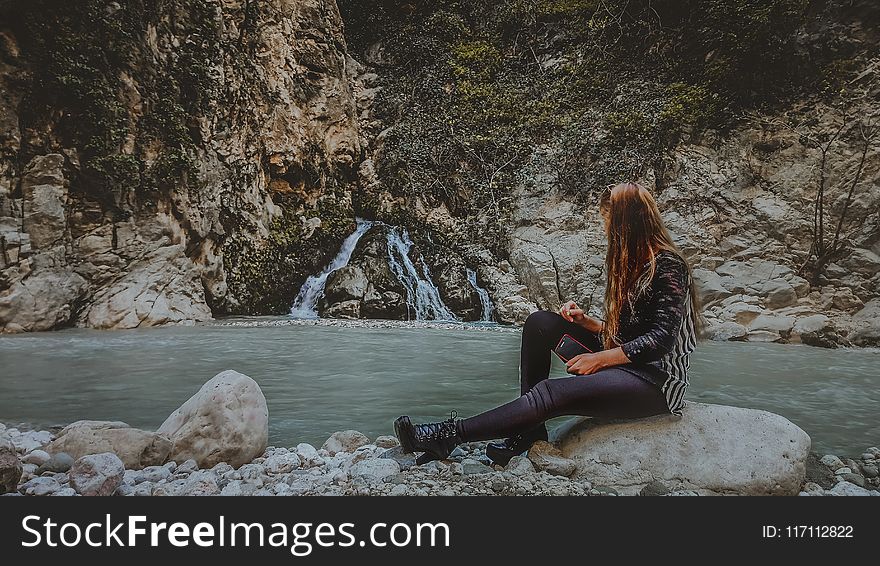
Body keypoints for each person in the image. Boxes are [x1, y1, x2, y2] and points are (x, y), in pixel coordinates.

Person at [393, 181, 706, 466]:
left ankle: (449, 434)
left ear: (627, 222)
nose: (605, 228)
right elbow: (628, 335)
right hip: (626, 362)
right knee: (540, 323)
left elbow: (660, 340)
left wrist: (599, 359)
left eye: (608, 220)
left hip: (657, 383)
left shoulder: (667, 265)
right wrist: (592, 324)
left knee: (551, 392)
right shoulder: (632, 264)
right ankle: (529, 431)